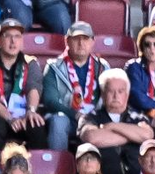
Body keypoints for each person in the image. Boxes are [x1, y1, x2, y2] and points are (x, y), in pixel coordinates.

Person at [75, 68, 153, 174]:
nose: (116, 96)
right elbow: (92, 138)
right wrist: (132, 136)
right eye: (111, 91)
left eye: (120, 91)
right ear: (103, 94)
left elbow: (147, 135)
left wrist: (112, 126)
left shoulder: (138, 117)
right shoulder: (90, 117)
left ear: (127, 94)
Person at [0, 19, 45, 149]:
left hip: (24, 112)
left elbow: (33, 88)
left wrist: (31, 111)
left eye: (17, 36)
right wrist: (10, 118)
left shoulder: (31, 63)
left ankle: (36, 162)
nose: (13, 41)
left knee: (36, 123)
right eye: (8, 36)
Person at [40, 21, 106, 152]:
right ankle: (58, 162)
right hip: (68, 118)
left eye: (85, 39)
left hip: (94, 118)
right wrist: (76, 115)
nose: (81, 43)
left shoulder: (102, 66)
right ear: (67, 41)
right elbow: (50, 100)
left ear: (93, 42)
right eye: (76, 39)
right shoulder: (54, 67)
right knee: (59, 121)